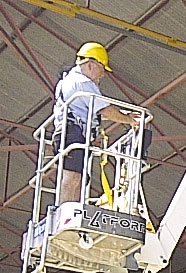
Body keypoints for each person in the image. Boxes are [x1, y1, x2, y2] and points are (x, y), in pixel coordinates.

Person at [53, 42, 141, 205]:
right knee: (72, 176)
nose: (102, 75)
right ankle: (64, 211)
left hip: (73, 131)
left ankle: (71, 208)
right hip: (73, 132)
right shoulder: (82, 83)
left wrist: (123, 115)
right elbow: (104, 110)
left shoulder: (70, 80)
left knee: (78, 177)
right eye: (102, 69)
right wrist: (130, 120)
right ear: (92, 65)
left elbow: (93, 110)